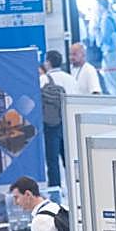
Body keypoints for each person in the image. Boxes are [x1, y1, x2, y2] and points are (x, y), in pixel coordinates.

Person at [40, 51, 74, 188]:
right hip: (69, 124)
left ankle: (56, 191)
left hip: (51, 124)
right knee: (70, 160)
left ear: (48, 62)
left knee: (52, 161)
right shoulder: (71, 79)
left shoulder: (43, 79)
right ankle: (75, 189)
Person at [94, 0, 116, 95]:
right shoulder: (115, 16)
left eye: (96, 6)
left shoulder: (105, 19)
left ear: (101, 6)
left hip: (110, 53)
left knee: (112, 81)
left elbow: (104, 38)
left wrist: (97, 32)